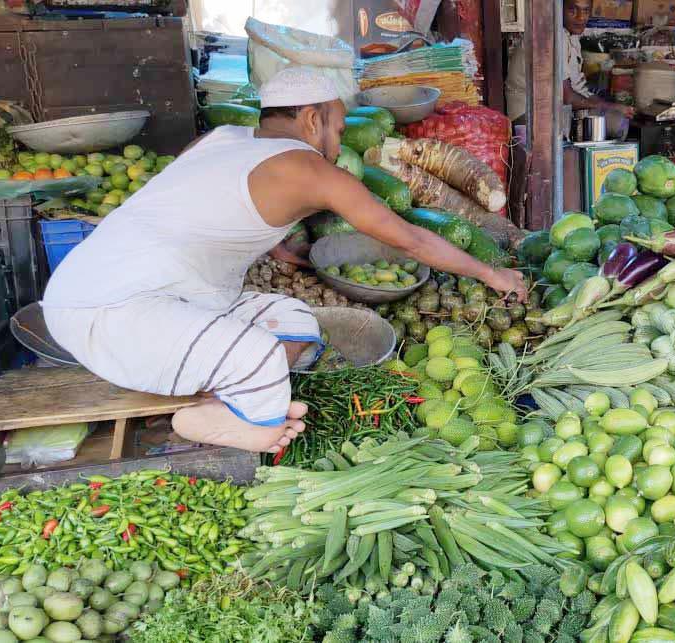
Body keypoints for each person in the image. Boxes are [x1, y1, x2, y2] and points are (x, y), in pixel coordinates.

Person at [42, 67, 528, 454]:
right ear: (312, 119)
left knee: (298, 322)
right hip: (108, 314)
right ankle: (223, 421)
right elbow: (408, 241)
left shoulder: (221, 139)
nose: (338, 146)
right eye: (337, 129)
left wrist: (275, 244)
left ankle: (235, 395)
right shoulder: (309, 168)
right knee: (259, 357)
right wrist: (490, 271)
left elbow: (199, 203)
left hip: (149, 300)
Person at [504, 0, 635, 122]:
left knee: (615, 121)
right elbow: (567, 97)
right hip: (527, 115)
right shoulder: (550, 35)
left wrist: (615, 107)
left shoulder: (571, 37)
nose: (580, 17)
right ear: (559, 9)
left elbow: (578, 89)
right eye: (572, 10)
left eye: (586, 11)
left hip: (551, 111)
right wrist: (610, 107)